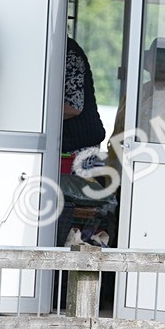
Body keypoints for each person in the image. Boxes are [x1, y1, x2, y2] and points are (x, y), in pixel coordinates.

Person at [58, 36, 107, 247]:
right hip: (77, 145)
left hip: (83, 148)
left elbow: (74, 107)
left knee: (79, 209)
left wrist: (37, 111)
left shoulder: (70, 54)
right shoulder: (63, 51)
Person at [109, 36, 165, 162]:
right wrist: (114, 160)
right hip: (132, 158)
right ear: (149, 63)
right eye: (157, 60)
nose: (162, 65)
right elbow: (119, 129)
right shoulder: (135, 93)